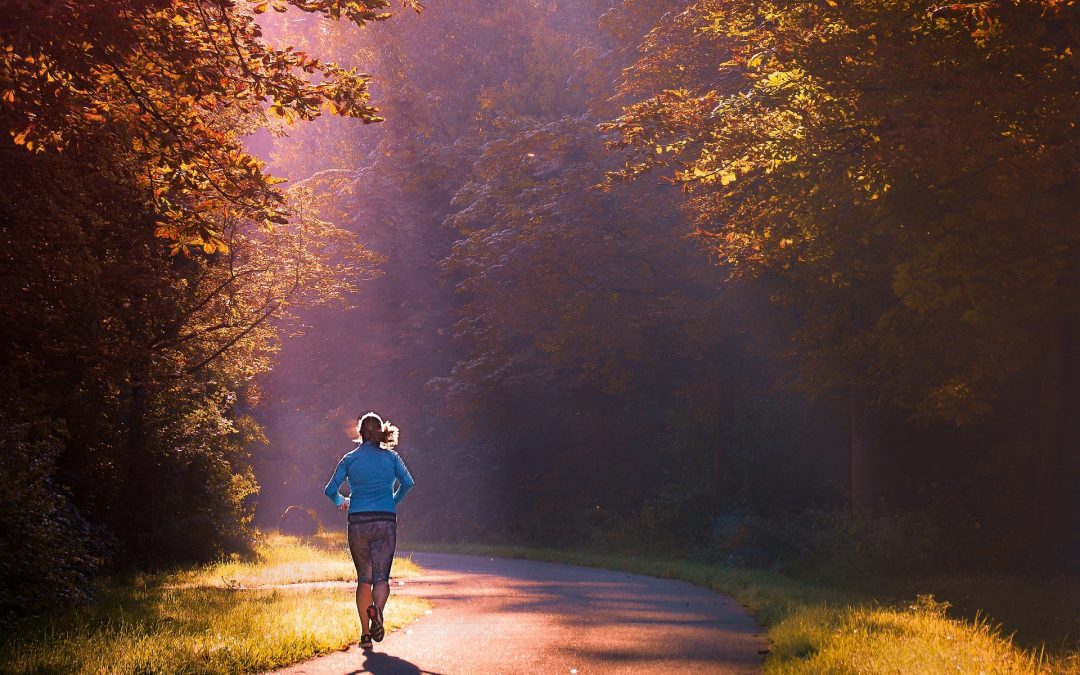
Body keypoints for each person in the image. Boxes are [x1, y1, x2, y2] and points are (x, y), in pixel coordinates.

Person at [324, 411, 415, 650]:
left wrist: (342, 501)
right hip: (385, 520)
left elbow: (329, 490)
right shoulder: (392, 458)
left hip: (358, 521)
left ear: (359, 432)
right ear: (380, 432)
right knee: (381, 578)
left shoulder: (349, 459)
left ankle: (365, 635)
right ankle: (378, 612)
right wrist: (393, 500)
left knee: (364, 579)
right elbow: (408, 483)